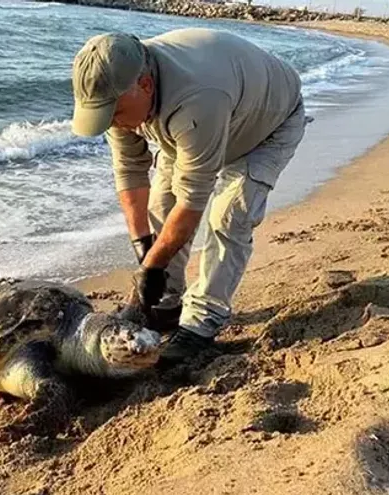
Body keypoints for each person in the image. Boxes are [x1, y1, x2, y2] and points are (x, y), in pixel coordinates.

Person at [69, 27, 306, 364]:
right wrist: (145, 251)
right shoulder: (119, 90)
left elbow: (193, 200)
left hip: (267, 125)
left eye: (115, 113)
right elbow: (130, 172)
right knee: (160, 205)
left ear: (145, 85)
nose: (113, 124)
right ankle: (167, 304)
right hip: (196, 126)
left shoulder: (199, 97)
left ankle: (203, 320)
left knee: (229, 217)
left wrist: (151, 268)